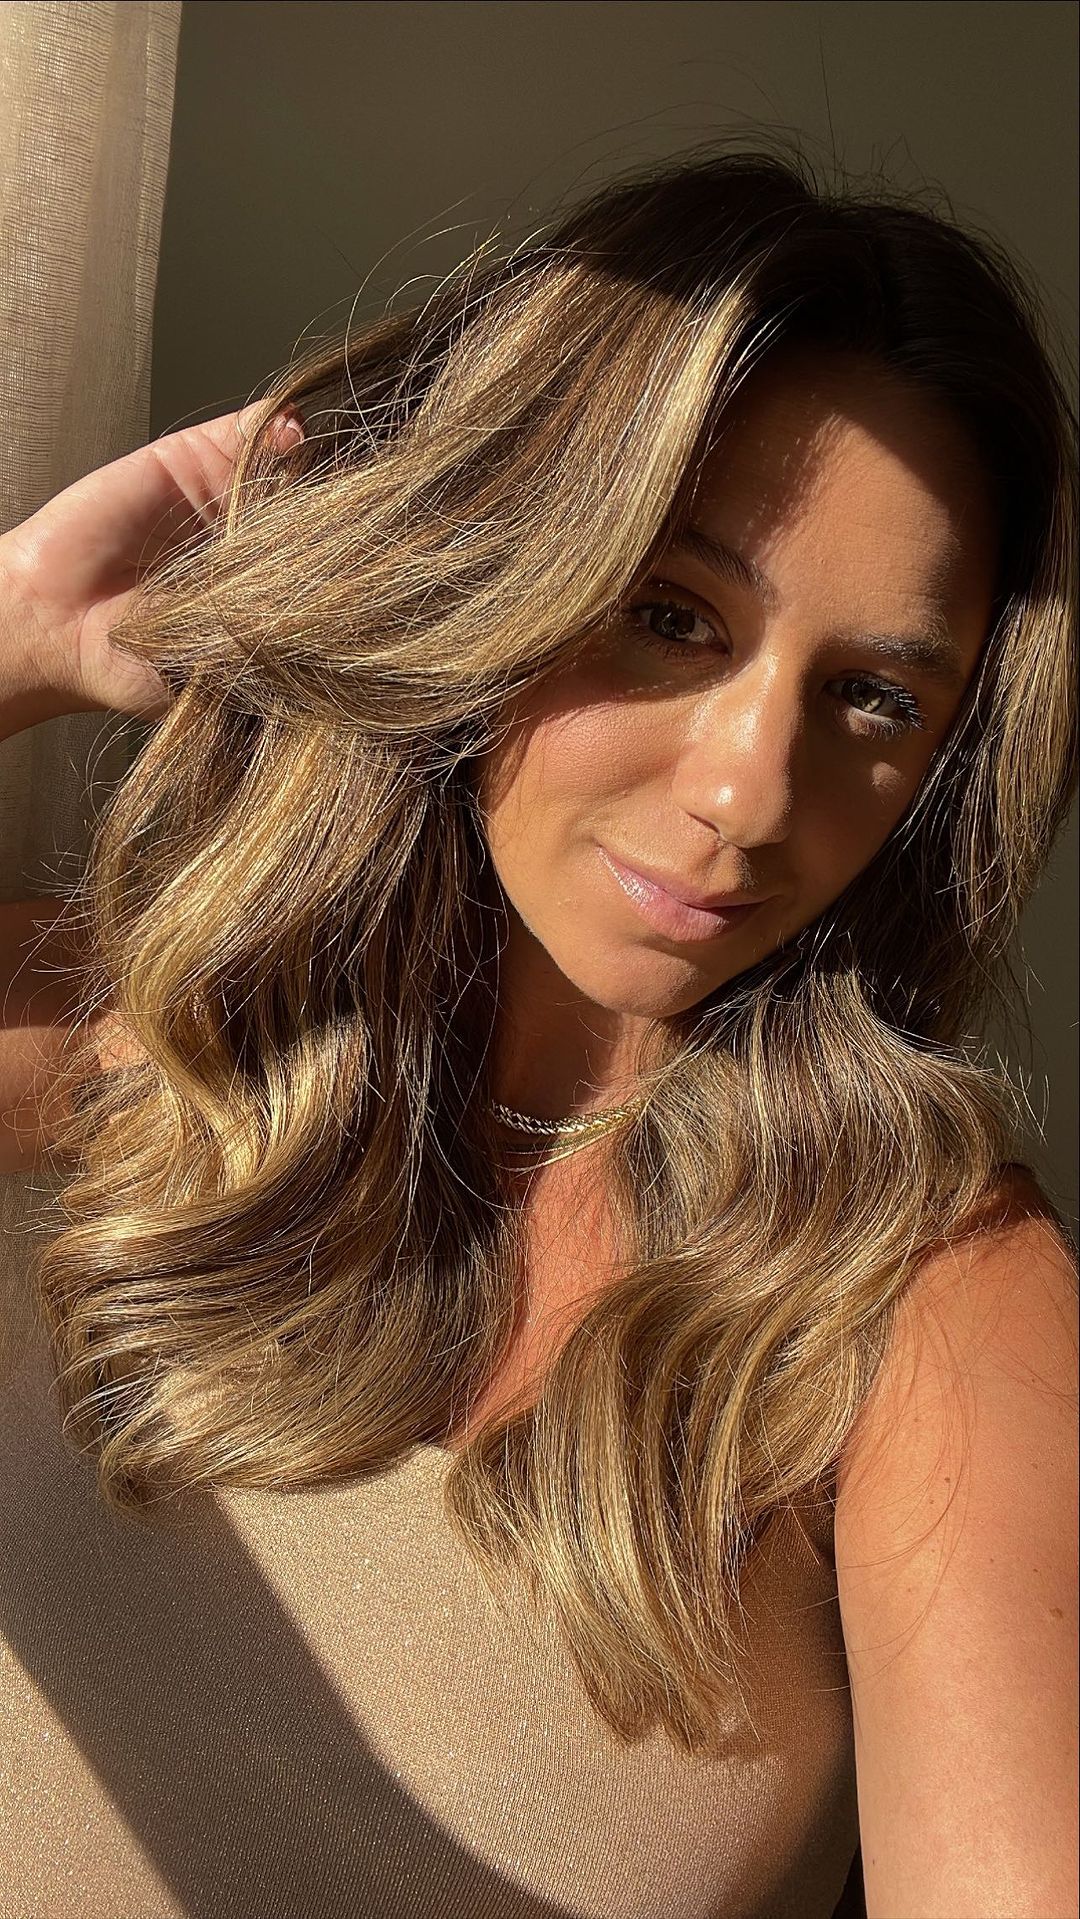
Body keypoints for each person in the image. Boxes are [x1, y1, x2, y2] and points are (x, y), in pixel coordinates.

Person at [0, 140, 1076, 1919]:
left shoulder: (925, 1297)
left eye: (875, 696)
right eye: (671, 616)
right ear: (499, 574)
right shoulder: (151, 1045)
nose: (748, 794)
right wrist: (23, 623)